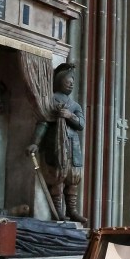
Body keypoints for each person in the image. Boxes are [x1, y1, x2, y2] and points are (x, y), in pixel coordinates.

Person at [27, 63, 87, 224]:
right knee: (57, 178)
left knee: (73, 179)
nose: (72, 83)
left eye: (73, 80)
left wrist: (69, 116)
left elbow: (81, 124)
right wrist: (35, 143)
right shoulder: (50, 101)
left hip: (73, 146)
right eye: (69, 80)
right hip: (55, 145)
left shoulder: (74, 105)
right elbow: (43, 123)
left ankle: (72, 210)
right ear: (60, 80)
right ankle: (58, 210)